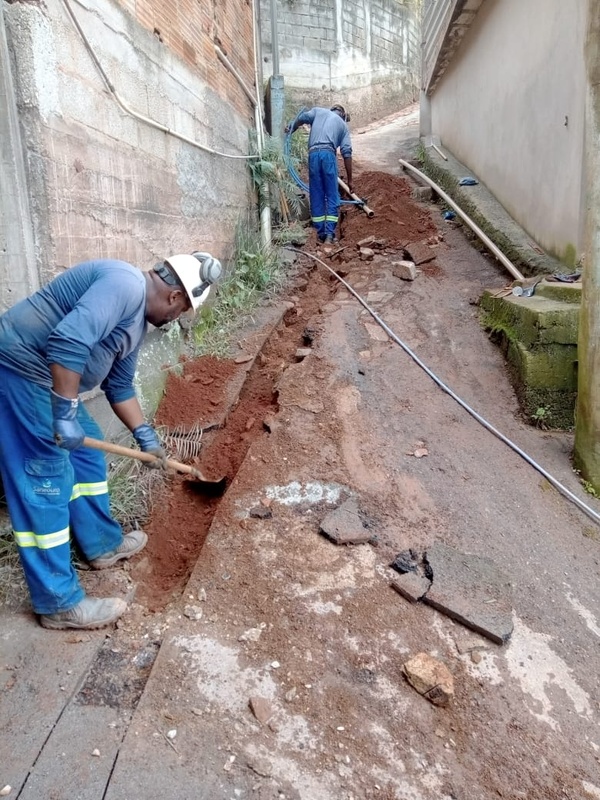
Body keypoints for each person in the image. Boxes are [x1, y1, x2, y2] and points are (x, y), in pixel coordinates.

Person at [0, 252, 220, 630]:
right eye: (182, 310)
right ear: (175, 296)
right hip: (19, 373)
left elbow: (118, 387)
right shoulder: (124, 283)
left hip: (48, 384)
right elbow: (68, 340)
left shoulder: (136, 323)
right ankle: (57, 603)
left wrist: (144, 435)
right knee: (46, 479)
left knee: (87, 454)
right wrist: (65, 414)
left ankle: (101, 544)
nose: (177, 318)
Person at [286, 104, 353, 245]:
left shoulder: (318, 111)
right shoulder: (343, 125)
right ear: (343, 115)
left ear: (332, 110)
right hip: (328, 155)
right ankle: (329, 234)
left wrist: (292, 127)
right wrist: (350, 181)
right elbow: (347, 153)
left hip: (313, 156)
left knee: (316, 194)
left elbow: (302, 117)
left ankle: (320, 233)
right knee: (332, 195)